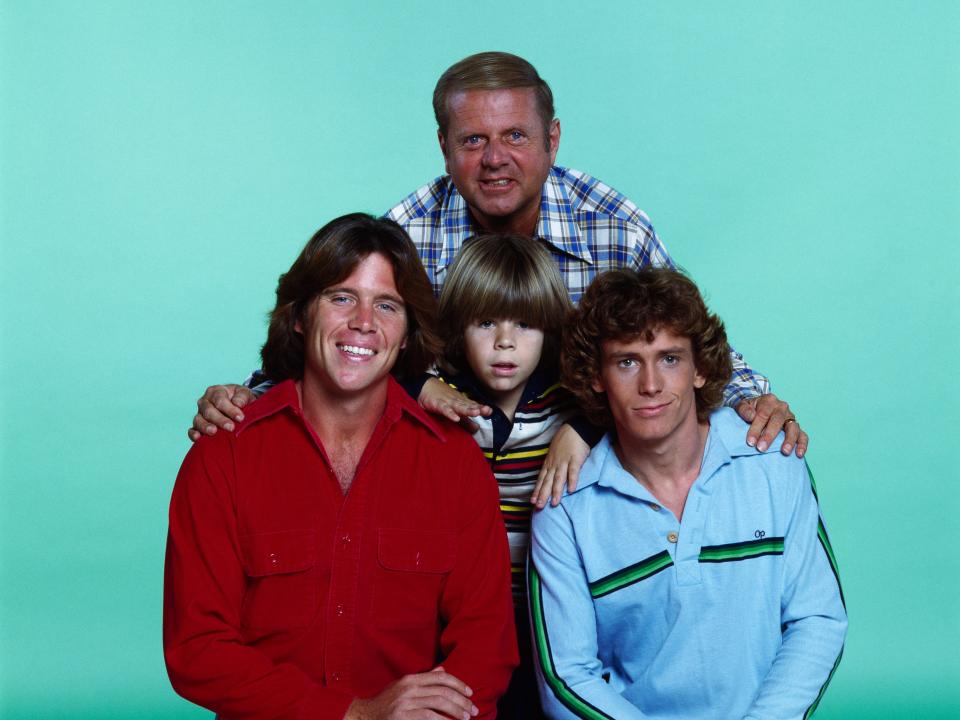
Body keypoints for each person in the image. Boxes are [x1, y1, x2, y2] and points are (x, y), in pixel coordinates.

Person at [189, 51, 809, 474]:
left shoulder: (614, 226)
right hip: (440, 475)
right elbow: (338, 343)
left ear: (552, 139)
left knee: (733, 443)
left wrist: (758, 401)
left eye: (515, 136)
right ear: (444, 147)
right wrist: (245, 396)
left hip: (589, 470)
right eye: (472, 140)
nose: (494, 159)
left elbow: (682, 345)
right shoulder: (406, 231)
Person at [164, 214, 517, 720]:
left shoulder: (454, 460)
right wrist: (353, 714)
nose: (364, 323)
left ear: (407, 333)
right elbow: (197, 650)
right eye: (341, 297)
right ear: (301, 315)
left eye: (387, 305)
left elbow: (486, 648)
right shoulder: (224, 455)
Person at [529, 267, 846, 719]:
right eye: (627, 361)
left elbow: (818, 619)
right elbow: (566, 676)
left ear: (701, 369)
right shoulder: (565, 505)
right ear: (596, 376)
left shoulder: (773, 460)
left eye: (670, 358)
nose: (651, 384)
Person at [423, 234, 575, 717]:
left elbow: (626, 401)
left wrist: (582, 429)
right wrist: (421, 385)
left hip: (541, 608)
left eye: (525, 324)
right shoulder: (440, 396)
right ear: (457, 328)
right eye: (485, 322)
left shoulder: (566, 401)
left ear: (549, 330)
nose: (504, 342)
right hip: (449, 612)